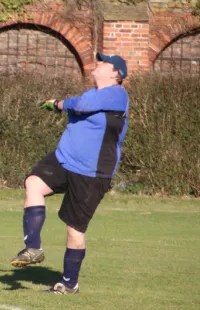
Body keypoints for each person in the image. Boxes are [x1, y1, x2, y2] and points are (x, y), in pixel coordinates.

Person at [10, 52, 129, 295]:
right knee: (34, 183)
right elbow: (84, 103)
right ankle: (33, 248)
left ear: (116, 74)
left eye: (104, 62)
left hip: (92, 172)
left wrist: (59, 104)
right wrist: (62, 105)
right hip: (65, 160)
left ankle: (68, 284)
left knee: (74, 230)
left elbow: (82, 105)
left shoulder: (117, 94)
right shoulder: (93, 94)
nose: (98, 63)